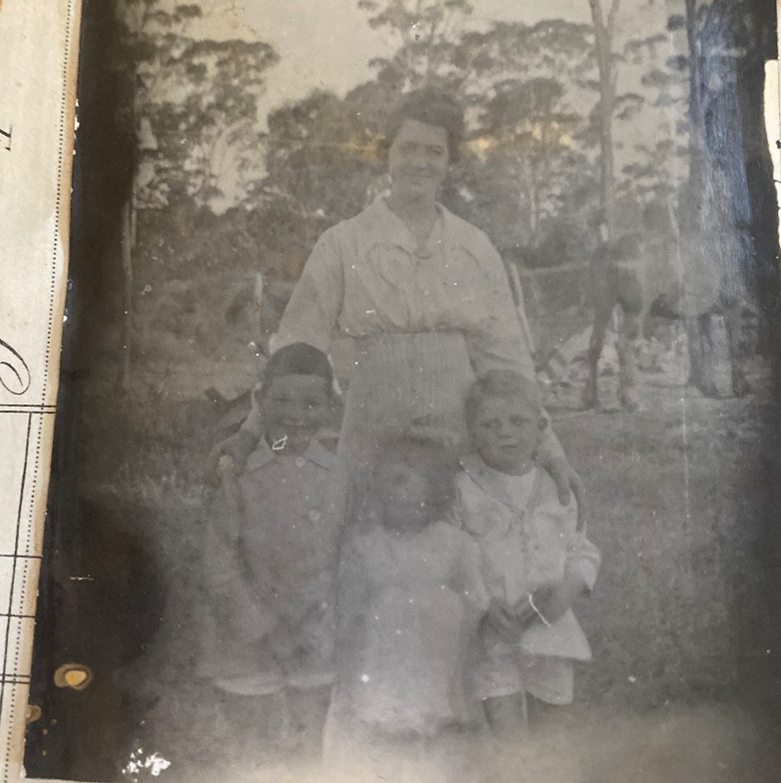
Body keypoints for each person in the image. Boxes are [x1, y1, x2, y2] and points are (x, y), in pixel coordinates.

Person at [214, 87, 586, 525]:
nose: (420, 162)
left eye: (435, 151)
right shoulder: (343, 242)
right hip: (373, 420)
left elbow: (506, 360)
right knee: (365, 545)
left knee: (456, 544)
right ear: (387, 153)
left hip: (456, 425)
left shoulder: (474, 247)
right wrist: (248, 435)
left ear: (450, 161)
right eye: (408, 147)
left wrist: (552, 452)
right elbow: (298, 346)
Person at [198, 343, 352, 769]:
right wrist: (256, 623)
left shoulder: (339, 475)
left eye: (311, 402)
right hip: (247, 638)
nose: (295, 413)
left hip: (313, 635)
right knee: (253, 752)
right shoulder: (239, 474)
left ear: (330, 408)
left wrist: (316, 620)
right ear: (260, 401)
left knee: (310, 751)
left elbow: (344, 556)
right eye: (281, 399)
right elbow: (219, 562)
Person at [453, 370, 600, 735]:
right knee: (508, 736)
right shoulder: (463, 488)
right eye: (491, 424)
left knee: (552, 732)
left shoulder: (555, 487)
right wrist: (483, 604)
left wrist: (568, 590)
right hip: (494, 631)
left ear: (540, 427)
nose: (505, 432)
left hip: (549, 626)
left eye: (518, 421)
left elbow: (581, 549)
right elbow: (453, 555)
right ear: (473, 434)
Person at [326, 435, 489, 751]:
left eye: (402, 480)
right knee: (385, 716)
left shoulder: (454, 543)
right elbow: (349, 604)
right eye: (384, 482)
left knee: (436, 712)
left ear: (434, 486)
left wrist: (458, 623)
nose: (392, 490)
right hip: (383, 647)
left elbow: (475, 597)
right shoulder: (366, 544)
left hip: (438, 643)